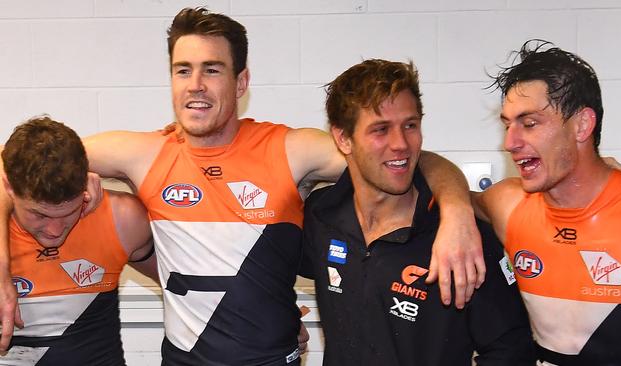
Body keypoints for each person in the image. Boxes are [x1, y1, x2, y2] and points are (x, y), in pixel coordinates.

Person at [0, 8, 484, 364]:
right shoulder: (142, 153)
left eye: (212, 70)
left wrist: (458, 213)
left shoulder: (291, 150)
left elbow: (403, 159)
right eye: (183, 70)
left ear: (240, 80)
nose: (196, 85)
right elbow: (16, 170)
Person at [300, 59, 535, 365]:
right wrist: (279, 321)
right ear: (344, 139)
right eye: (380, 130)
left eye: (410, 125)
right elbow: (266, 272)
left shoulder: (465, 237)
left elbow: (512, 351)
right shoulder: (321, 215)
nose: (401, 144)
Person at [474, 40, 621, 365]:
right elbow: (424, 170)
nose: (510, 142)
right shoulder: (510, 204)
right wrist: (456, 217)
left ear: (582, 125)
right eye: (507, 125)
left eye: (529, 123)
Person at [0, 117, 157, 365]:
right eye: (39, 214)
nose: (54, 230)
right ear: (8, 185)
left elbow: (181, 284)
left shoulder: (122, 219)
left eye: (69, 213)